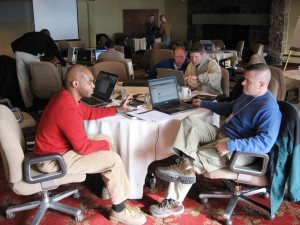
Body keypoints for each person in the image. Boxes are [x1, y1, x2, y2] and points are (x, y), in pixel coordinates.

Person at [149, 63, 282, 218]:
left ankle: (173, 203)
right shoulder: (249, 94)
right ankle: (185, 166)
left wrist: (231, 145)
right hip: (224, 134)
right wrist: (204, 103)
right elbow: (229, 107)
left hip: (240, 150)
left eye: (247, 81)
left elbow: (265, 143)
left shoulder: (270, 110)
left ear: (261, 84)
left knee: (195, 157)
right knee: (190, 122)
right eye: (244, 79)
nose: (243, 83)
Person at [34, 64, 146, 225]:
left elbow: (90, 113)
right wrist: (103, 147)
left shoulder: (67, 97)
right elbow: (83, 147)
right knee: (112, 159)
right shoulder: (67, 107)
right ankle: (119, 210)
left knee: (105, 139)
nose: (94, 86)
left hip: (56, 150)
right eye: (91, 82)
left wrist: (118, 109)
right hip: (52, 160)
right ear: (75, 84)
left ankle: (110, 186)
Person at [11, 29, 66, 109]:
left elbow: (13, 44)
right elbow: (56, 51)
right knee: (40, 77)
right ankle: (45, 100)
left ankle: (28, 104)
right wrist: (64, 63)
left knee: (23, 80)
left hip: (18, 53)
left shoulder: (28, 34)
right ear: (48, 35)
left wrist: (18, 54)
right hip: (30, 55)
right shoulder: (47, 38)